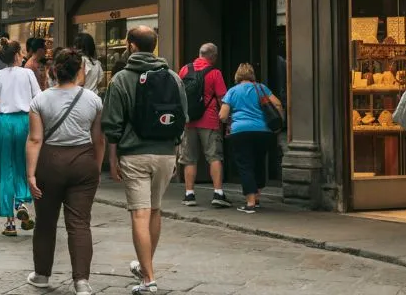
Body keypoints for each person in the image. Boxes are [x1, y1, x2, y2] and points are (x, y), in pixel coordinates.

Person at [103, 26, 187, 294]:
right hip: (165, 153)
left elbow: (112, 124)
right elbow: (182, 119)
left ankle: (148, 278)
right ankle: (145, 266)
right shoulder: (173, 77)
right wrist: (175, 154)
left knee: (139, 213)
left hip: (135, 154)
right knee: (155, 210)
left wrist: (112, 158)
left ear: (131, 45)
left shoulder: (121, 79)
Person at [25, 48, 104, 295]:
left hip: (50, 162)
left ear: (54, 71)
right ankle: (81, 282)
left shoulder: (40, 100)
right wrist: (96, 167)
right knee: (80, 223)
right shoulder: (93, 100)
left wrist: (30, 174)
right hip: (83, 161)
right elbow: (98, 139)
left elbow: (35, 140)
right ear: (80, 70)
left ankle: (41, 275)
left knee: (46, 222)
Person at [0, 38, 40, 237]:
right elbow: (37, 100)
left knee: (4, 167)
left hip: (2, 123)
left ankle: (9, 223)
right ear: (17, 55)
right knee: (23, 164)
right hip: (25, 121)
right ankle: (22, 201)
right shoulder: (28, 74)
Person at [219, 63, 283, 214]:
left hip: (240, 132)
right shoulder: (261, 88)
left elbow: (222, 115)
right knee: (259, 162)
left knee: (245, 165)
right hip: (263, 131)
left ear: (237, 76)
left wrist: (231, 118)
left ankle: (250, 202)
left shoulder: (232, 91)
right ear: (252, 74)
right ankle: (257, 197)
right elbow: (278, 104)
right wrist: (279, 120)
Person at [178, 43, 230, 208]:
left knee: (189, 159)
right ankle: (218, 192)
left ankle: (189, 194)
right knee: (214, 157)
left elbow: (180, 94)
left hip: (188, 121)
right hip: (209, 120)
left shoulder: (185, 70)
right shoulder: (215, 73)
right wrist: (227, 119)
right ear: (213, 57)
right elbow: (223, 99)